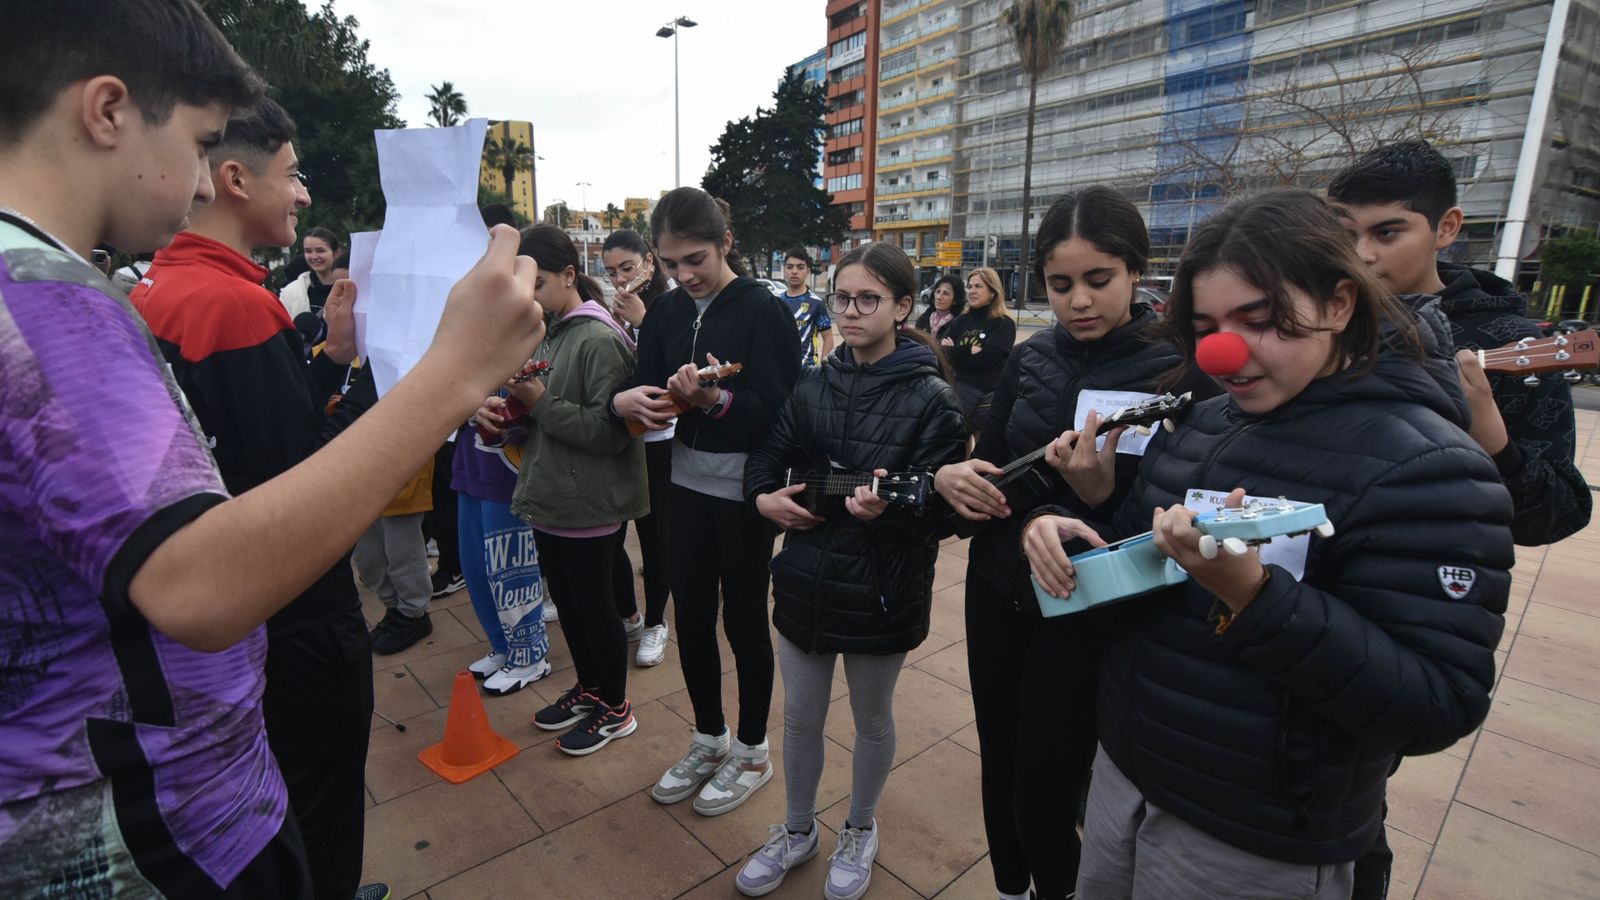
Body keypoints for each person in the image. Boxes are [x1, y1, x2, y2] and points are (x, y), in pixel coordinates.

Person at [0, 2, 544, 895]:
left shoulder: (63, 285)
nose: (202, 182)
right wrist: (452, 374)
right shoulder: (46, 300)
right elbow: (198, 583)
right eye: (197, 141)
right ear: (107, 111)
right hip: (160, 832)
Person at [1018, 190, 1511, 898]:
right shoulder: (1202, 424)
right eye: (1207, 327)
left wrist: (1253, 598)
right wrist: (1072, 520)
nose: (1226, 351)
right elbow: (1145, 557)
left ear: (1338, 304)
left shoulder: (1431, 469)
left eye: (1259, 320)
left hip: (1256, 834)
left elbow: (1437, 704)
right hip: (1126, 782)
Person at [129, 96, 387, 897]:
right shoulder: (234, 305)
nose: (303, 194)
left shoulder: (159, 289)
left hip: (232, 604)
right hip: (296, 608)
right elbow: (306, 478)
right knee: (321, 800)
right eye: (292, 174)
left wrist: (330, 358)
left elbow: (252, 435)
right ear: (235, 179)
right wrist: (389, 387)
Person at [934, 186, 1205, 900]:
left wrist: (1097, 498)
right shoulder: (1031, 359)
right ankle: (1009, 886)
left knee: (1047, 785)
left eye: (1099, 279)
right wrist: (954, 480)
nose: (1079, 301)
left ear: (1136, 271)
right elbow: (995, 468)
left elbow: (1176, 513)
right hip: (998, 587)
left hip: (1091, 606)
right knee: (999, 752)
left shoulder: (1177, 368)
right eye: (1060, 285)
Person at [737, 242, 967, 898]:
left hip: (882, 589)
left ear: (902, 306)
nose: (851, 312)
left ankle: (861, 826)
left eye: (869, 299)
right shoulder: (814, 382)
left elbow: (942, 512)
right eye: (842, 298)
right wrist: (763, 498)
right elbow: (770, 454)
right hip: (805, 575)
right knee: (800, 716)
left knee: (872, 718)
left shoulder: (934, 400)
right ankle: (796, 828)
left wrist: (887, 513)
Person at [611, 187, 801, 815]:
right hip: (682, 484)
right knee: (690, 616)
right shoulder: (666, 312)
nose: (684, 275)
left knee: (743, 618)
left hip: (745, 492)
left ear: (726, 243)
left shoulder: (763, 309)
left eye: (695, 259)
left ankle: (752, 749)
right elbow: (644, 384)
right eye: (670, 263)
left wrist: (716, 401)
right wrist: (628, 401)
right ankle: (708, 738)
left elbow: (782, 411)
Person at [1328, 140, 1591, 548]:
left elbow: (1558, 515)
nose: (1362, 254)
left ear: (1447, 227)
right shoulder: (1318, 321)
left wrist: (1496, 445)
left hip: (1431, 567)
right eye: (1346, 236)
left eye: (1387, 233)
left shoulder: (1510, 339)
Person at [480, 224, 647, 756]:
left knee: (596, 608)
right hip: (552, 493)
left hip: (589, 500)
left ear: (570, 275)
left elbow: (611, 432)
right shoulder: (551, 331)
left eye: (538, 283)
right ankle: (591, 688)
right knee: (571, 606)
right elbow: (544, 415)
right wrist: (506, 414)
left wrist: (537, 400)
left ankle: (615, 707)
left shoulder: (598, 338)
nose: (529, 296)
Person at [603, 228, 675, 666]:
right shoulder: (611, 310)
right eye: (612, 272)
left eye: (627, 268)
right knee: (612, 531)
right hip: (618, 434)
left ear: (649, 262)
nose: (620, 279)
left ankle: (656, 622)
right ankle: (629, 614)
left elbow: (681, 362)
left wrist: (645, 321)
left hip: (659, 438)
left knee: (654, 534)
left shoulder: (670, 303)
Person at [353, 458, 437, 654]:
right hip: (358, 473)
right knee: (368, 555)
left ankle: (413, 614)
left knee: (403, 552)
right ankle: (395, 609)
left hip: (399, 468)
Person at [941, 266, 1016, 433]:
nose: (972, 291)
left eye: (978, 286)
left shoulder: (1004, 323)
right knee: (955, 440)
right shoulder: (961, 320)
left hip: (986, 395)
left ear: (993, 292)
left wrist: (955, 352)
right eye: (970, 286)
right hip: (956, 387)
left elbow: (989, 359)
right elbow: (942, 352)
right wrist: (968, 349)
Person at [780, 247, 833, 366]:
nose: (794, 271)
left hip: (807, 370)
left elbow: (828, 338)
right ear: (784, 270)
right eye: (790, 267)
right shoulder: (777, 301)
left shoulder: (816, 303)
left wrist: (823, 367)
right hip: (780, 371)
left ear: (808, 271)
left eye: (800, 267)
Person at [279, 226, 341, 319]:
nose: (314, 256)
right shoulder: (291, 292)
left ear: (336, 253)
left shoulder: (351, 288)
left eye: (320, 251)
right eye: (308, 251)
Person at [914, 273, 964, 338]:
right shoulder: (925, 318)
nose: (939, 297)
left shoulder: (959, 323)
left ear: (955, 299)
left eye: (946, 293)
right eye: (938, 292)